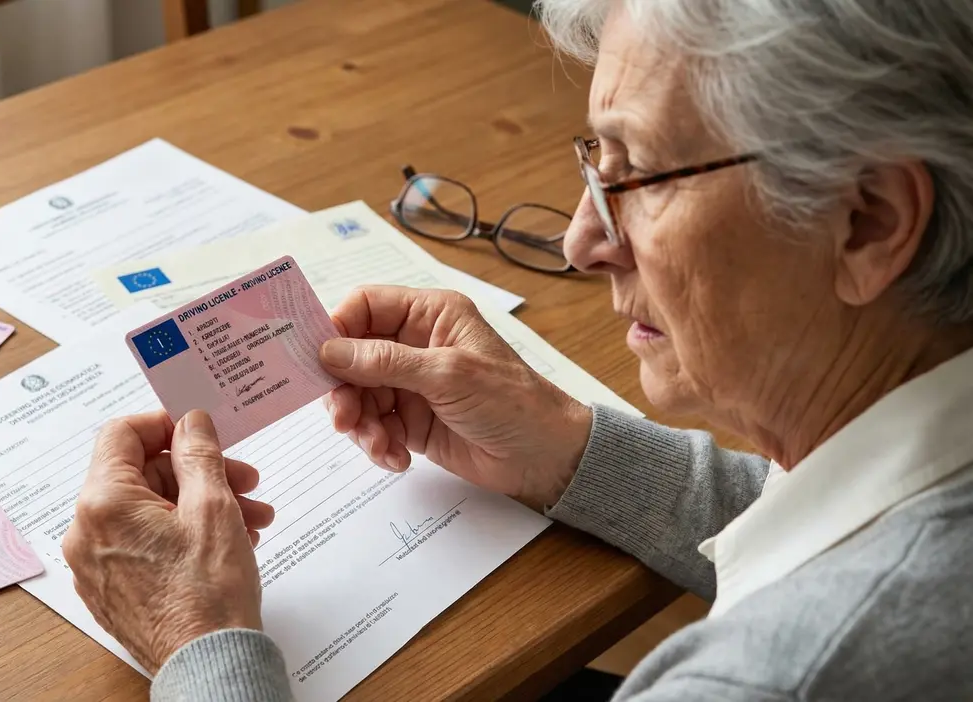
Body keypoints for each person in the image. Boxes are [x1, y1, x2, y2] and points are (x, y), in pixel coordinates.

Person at [61, 0, 973, 699]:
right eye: (592, 167)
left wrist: (199, 644)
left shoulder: (765, 677)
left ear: (868, 222)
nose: (583, 240)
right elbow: (837, 527)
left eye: (638, 176)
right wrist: (567, 447)